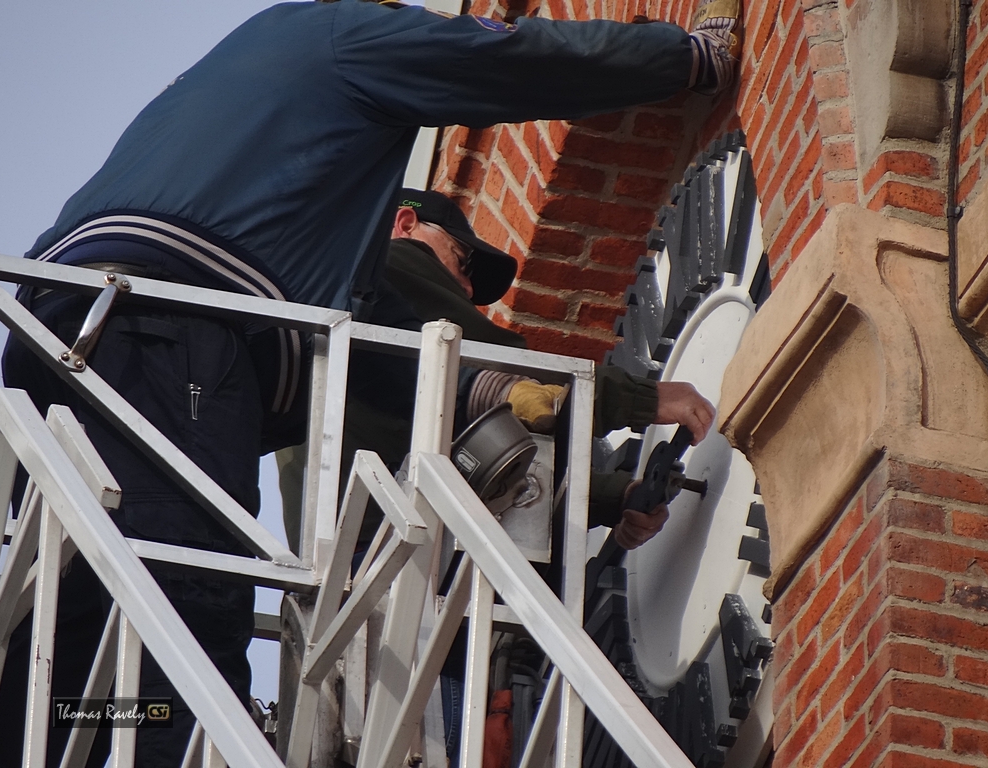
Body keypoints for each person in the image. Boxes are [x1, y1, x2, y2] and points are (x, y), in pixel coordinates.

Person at [0, 0, 740, 764]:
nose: (460, 281)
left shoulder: (270, 162)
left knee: (75, 610)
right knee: (179, 593)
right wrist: (680, 59)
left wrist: (560, 454)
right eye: (458, 260)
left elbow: (394, 351)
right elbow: (515, 58)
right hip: (161, 331)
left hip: (67, 335)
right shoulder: (343, 34)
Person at [277, 188, 717, 553]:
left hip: (366, 553)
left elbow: (471, 458)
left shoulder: (355, 357)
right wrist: (646, 399)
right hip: (400, 550)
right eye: (462, 262)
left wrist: (610, 499)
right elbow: (508, 379)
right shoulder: (390, 264)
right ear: (406, 224)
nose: (466, 289)